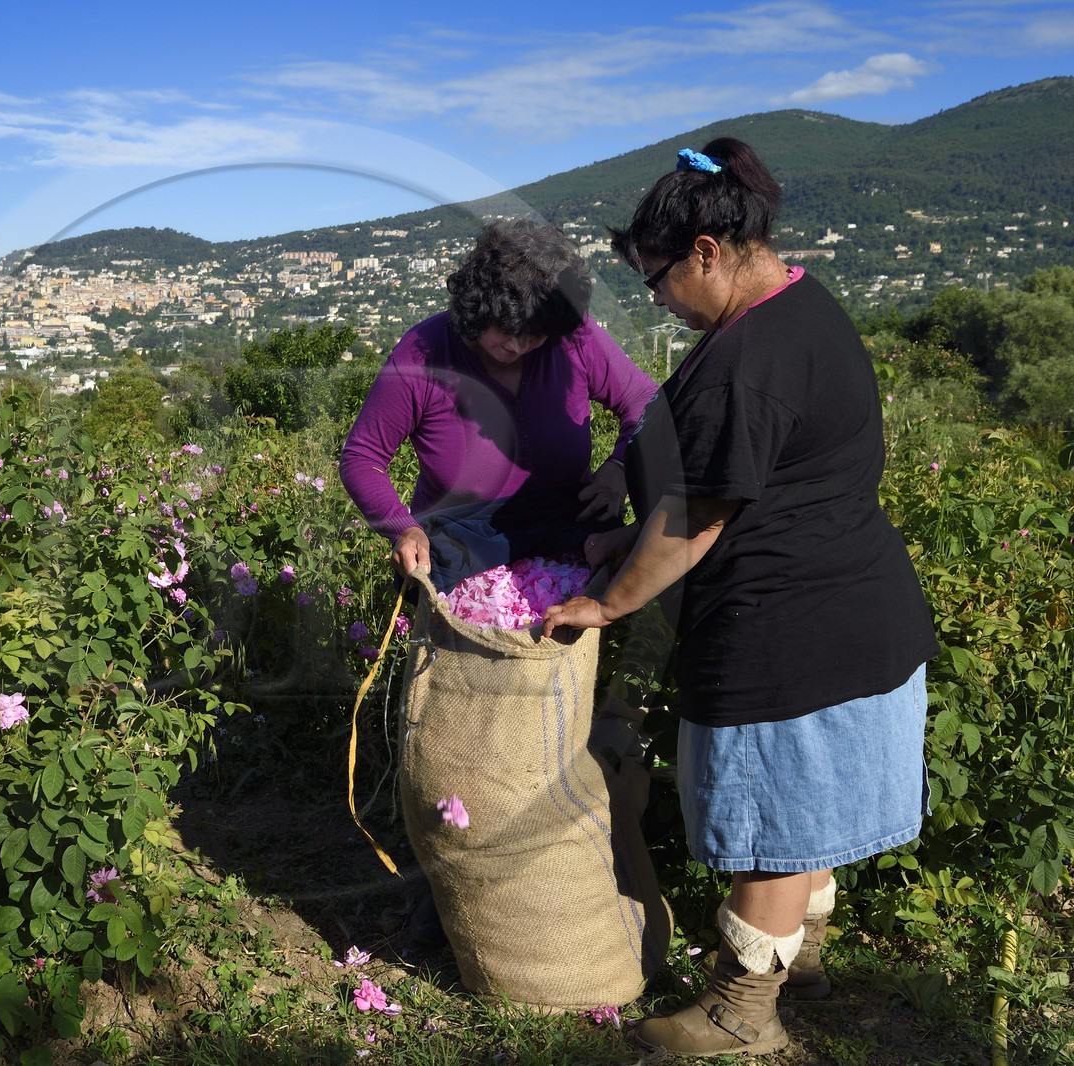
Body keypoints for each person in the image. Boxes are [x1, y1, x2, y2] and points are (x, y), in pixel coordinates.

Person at [542, 139, 938, 1057]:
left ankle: (738, 1012)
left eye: (659, 282)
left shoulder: (747, 358)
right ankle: (803, 956)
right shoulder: (791, 306)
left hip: (786, 630)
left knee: (770, 825)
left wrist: (608, 601)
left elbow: (693, 520)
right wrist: (617, 512)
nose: (661, 302)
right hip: (855, 608)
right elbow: (692, 435)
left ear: (709, 252)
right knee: (813, 806)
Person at [339, 218, 656, 579]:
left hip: (570, 543)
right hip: (458, 554)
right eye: (507, 329)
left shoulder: (573, 338)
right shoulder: (423, 354)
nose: (517, 346)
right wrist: (404, 529)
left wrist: (619, 469)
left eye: (535, 335)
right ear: (478, 308)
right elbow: (363, 458)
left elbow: (644, 401)